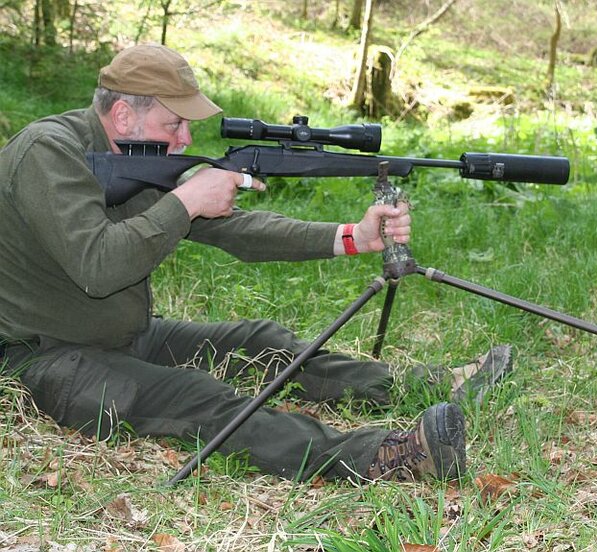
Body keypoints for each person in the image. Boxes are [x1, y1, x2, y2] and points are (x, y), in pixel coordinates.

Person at [0, 44, 505, 483]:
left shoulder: (136, 157)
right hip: (45, 359)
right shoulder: (49, 153)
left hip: (124, 335)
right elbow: (98, 267)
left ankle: (417, 383)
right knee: (201, 399)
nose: (186, 141)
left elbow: (237, 229)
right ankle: (385, 456)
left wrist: (353, 236)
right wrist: (187, 200)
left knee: (260, 342)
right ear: (125, 117)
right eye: (174, 124)